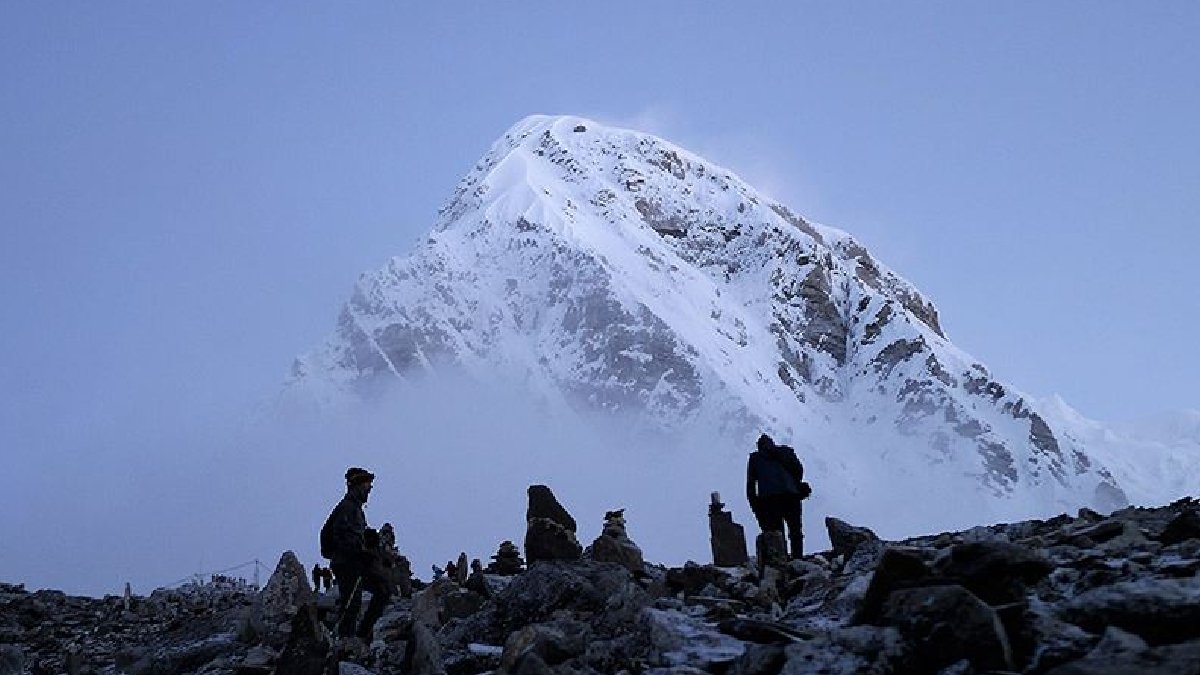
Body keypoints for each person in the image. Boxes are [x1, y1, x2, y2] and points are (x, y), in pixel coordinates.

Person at [320, 467, 393, 644]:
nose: (370, 489)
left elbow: (352, 536)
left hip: (354, 562)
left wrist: (368, 539)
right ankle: (345, 641)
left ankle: (359, 637)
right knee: (351, 602)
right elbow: (342, 537)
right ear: (357, 486)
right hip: (347, 563)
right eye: (367, 485)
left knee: (382, 590)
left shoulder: (355, 509)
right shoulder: (347, 508)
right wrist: (361, 552)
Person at [746, 433, 810, 558]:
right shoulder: (786, 452)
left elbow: (751, 485)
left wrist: (756, 506)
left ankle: (781, 558)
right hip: (791, 496)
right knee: (795, 530)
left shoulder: (755, 458)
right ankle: (798, 557)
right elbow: (799, 470)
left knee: (776, 531)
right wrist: (794, 484)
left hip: (769, 500)